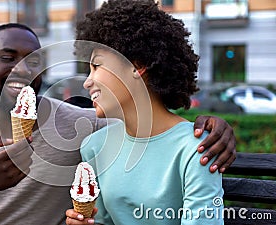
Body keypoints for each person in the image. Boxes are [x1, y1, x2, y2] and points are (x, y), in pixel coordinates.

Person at [0, 23, 234, 225]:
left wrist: (212, 127)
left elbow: (148, 126)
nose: (23, 69)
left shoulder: (82, 128)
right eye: (7, 57)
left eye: (34, 60)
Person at [66, 0, 226, 224]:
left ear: (136, 66)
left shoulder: (196, 149)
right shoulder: (94, 147)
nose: (87, 82)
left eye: (97, 66)